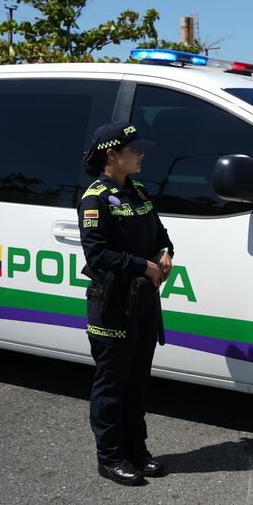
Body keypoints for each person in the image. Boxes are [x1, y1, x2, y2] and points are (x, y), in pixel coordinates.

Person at [79, 121, 175, 486]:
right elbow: (98, 253)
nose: (141, 154)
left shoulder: (138, 191)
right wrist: (142, 265)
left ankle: (137, 449)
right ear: (112, 154)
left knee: (137, 381)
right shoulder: (95, 198)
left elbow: (160, 233)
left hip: (143, 303)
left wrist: (165, 253)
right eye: (134, 149)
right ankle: (110, 456)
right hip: (113, 303)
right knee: (112, 384)